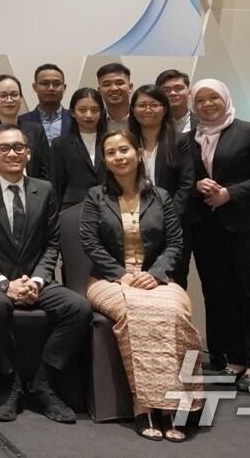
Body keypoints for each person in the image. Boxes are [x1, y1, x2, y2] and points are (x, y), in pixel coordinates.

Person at [0, 124, 90, 424]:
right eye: (3, 148)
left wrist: (38, 280)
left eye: (19, 147)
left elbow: (52, 243)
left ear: (28, 153)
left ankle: (43, 382)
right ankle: (10, 383)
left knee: (79, 307)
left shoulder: (45, 189)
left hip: (34, 279)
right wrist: (4, 284)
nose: (12, 153)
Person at [80, 130, 202, 442]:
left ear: (138, 153)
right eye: (111, 152)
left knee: (175, 312)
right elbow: (90, 243)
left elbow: (175, 243)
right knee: (136, 311)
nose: (118, 157)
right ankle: (144, 405)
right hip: (107, 280)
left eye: (124, 150)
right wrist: (121, 273)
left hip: (155, 279)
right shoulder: (95, 196)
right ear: (105, 160)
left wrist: (157, 273)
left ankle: (176, 405)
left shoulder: (160, 196)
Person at [187, 78, 250, 390]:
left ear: (225, 99)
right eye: (200, 100)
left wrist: (230, 193)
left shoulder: (248, 132)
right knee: (222, 295)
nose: (207, 104)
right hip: (209, 230)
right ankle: (236, 358)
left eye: (213, 98)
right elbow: (187, 179)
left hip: (249, 228)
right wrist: (197, 185)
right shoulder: (191, 138)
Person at [128, 85, 195, 285]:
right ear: (133, 110)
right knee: (137, 281)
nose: (148, 109)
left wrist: (168, 217)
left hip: (173, 224)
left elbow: (187, 184)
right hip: (133, 224)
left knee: (173, 280)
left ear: (164, 109)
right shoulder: (126, 142)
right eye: (142, 105)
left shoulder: (180, 140)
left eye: (154, 104)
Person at [0, 74, 51, 180]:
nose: (9, 100)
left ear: (21, 98)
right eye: (3, 96)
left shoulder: (37, 130)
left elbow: (46, 170)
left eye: (14, 95)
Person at [50, 88, 107, 209]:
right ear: (72, 112)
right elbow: (56, 184)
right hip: (74, 207)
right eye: (82, 110)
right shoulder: (60, 144)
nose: (89, 115)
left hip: (108, 205)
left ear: (101, 112)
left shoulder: (110, 141)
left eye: (94, 110)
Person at [20, 64, 71, 142]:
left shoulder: (76, 120)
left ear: (64, 88)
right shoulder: (21, 122)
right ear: (34, 87)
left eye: (56, 84)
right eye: (45, 83)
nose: (51, 88)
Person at [156, 69, 193, 134]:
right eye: (166, 90)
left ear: (189, 93)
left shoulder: (202, 123)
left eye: (179, 88)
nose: (172, 93)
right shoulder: (152, 123)